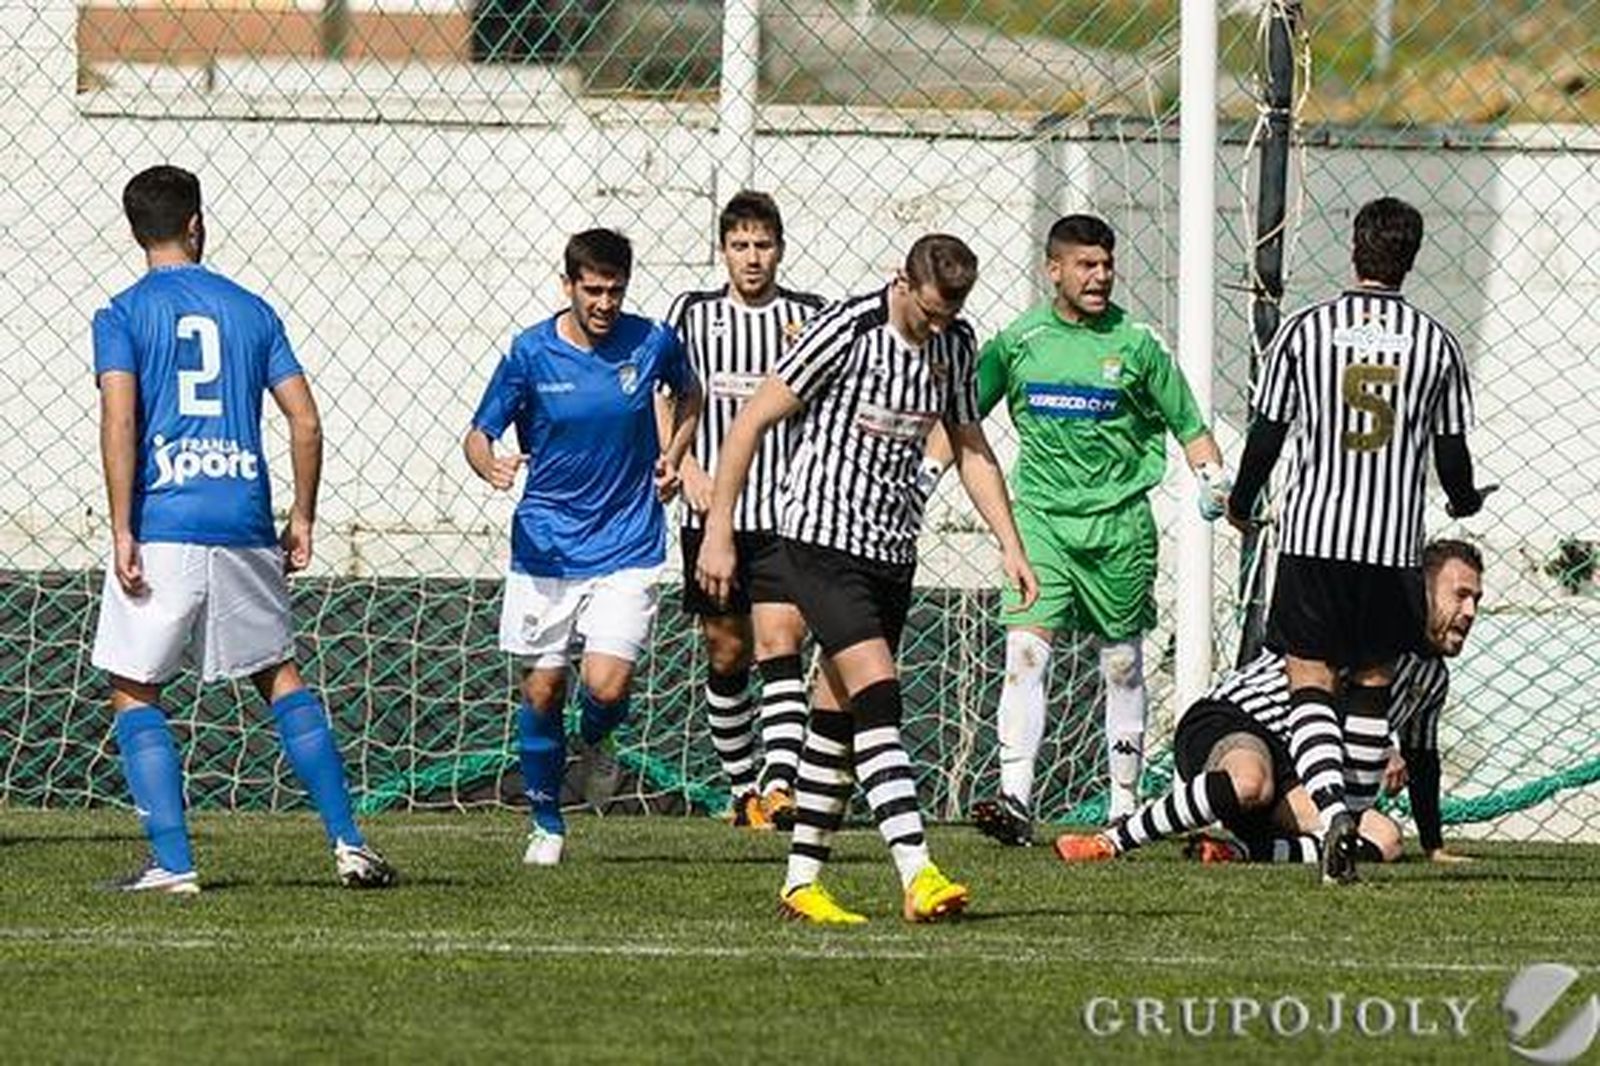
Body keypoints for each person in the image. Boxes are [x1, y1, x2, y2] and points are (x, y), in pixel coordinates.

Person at [697, 234, 1039, 925]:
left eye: (952, 315)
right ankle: (917, 871)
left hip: (891, 551)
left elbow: (971, 447)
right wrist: (719, 529)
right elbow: (750, 423)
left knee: (837, 717)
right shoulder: (845, 332)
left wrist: (1011, 543)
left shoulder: (954, 344)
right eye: (931, 312)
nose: (938, 327)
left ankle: (800, 884)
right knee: (880, 692)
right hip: (819, 545)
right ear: (902, 282)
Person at [90, 165, 395, 893]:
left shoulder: (122, 314)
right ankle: (350, 843)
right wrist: (303, 514)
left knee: (134, 685)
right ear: (196, 224)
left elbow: (120, 417)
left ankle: (173, 862)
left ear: (138, 233)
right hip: (243, 516)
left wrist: (122, 527)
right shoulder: (253, 311)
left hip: (165, 517)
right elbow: (306, 420)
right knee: (277, 673)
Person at [923, 214, 1229, 845]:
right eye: (1085, 265)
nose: (1099, 277)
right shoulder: (1020, 342)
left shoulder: (1138, 344)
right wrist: (922, 476)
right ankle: (1015, 799)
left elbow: (1189, 423)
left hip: (1119, 526)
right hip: (1040, 523)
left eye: (1106, 265)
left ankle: (1123, 805)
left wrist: (1210, 479)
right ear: (1053, 269)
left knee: (1121, 665)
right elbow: (959, 418)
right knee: (1026, 655)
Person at [1226, 196, 1487, 884]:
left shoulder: (1305, 331)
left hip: (1315, 536)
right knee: (1373, 683)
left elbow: (1268, 433)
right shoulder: (1437, 343)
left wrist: (1242, 500)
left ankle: (1333, 808)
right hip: (1394, 546)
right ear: (1413, 256)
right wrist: (1462, 500)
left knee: (1308, 676)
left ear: (1354, 249)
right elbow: (1453, 454)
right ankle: (1354, 814)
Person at [464, 228, 700, 867]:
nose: (604, 303)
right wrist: (490, 465)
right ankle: (547, 823)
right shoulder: (530, 353)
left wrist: (674, 457)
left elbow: (691, 395)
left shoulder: (652, 341)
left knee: (604, 684)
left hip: (628, 540)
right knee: (541, 692)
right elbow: (479, 433)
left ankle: (597, 742)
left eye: (614, 290)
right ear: (567, 285)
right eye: (592, 290)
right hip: (547, 547)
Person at [1054, 538, 1483, 867]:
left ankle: (1240, 851)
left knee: (1383, 839)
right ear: (1419, 590)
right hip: (1239, 723)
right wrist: (1380, 746)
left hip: (1301, 771)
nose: (1469, 611)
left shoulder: (1431, 677)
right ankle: (1110, 840)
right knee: (1249, 782)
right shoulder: (1366, 625)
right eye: (1459, 594)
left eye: (1476, 600)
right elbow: (1320, 691)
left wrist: (1434, 846)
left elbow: (1423, 757)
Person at [663, 192, 824, 830]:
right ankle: (742, 790)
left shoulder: (810, 316)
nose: (752, 258)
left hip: (788, 515)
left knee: (780, 642)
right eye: (740, 246)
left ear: (780, 249)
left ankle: (780, 784)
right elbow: (664, 392)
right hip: (715, 516)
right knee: (727, 653)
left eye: (763, 246)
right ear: (723, 250)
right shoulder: (693, 313)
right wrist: (686, 468)